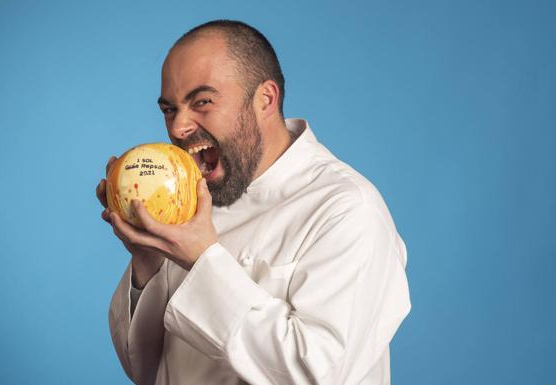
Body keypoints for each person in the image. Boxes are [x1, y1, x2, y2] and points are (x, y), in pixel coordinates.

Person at [95, 20, 411, 385]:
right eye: (169, 109)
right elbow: (147, 372)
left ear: (265, 99)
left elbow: (318, 375)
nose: (178, 127)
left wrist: (202, 260)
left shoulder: (347, 210)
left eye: (202, 102)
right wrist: (147, 260)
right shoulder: (191, 198)